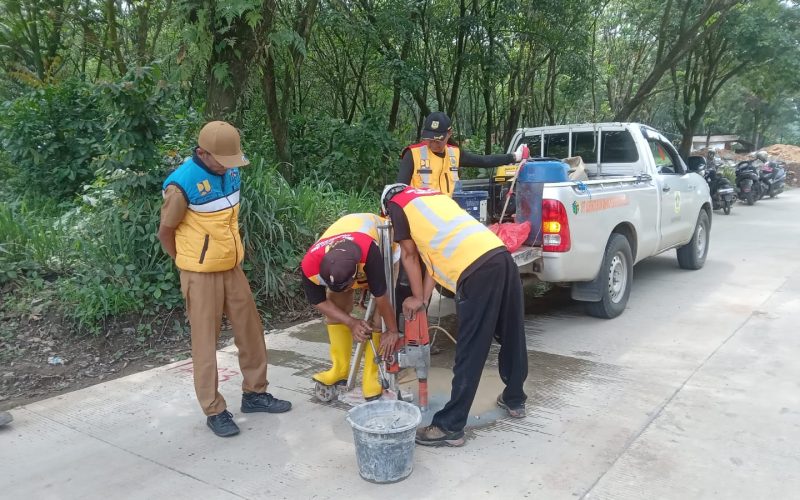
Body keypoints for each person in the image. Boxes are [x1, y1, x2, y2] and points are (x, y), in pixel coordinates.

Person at [157, 121, 291, 438]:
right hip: (200, 274)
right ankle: (214, 409)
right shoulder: (181, 185)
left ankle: (255, 394)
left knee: (251, 330)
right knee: (205, 342)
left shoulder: (231, 171)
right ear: (202, 153)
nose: (229, 166)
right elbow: (166, 232)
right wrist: (186, 263)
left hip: (231, 267)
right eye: (222, 159)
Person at [380, 183, 528, 447]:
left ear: (386, 207)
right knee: (512, 334)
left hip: (476, 272)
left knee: (471, 349)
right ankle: (515, 399)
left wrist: (416, 298)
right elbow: (430, 259)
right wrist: (423, 298)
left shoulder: (397, 205)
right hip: (501, 256)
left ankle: (451, 426)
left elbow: (410, 256)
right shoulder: (433, 197)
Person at [300, 213, 401, 400]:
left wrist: (393, 330)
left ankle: (371, 378)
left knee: (380, 317)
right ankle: (339, 368)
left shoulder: (370, 254)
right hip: (346, 242)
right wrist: (350, 322)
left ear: (356, 276)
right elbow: (318, 301)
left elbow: (381, 296)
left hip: (383, 240)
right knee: (336, 302)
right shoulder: (310, 264)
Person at [397, 111, 528, 196]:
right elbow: (399, 191)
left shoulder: (454, 153)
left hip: (448, 216)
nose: (432, 144)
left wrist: (514, 156)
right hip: (420, 217)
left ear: (449, 133)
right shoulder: (412, 154)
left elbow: (484, 161)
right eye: (429, 140)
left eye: (438, 140)